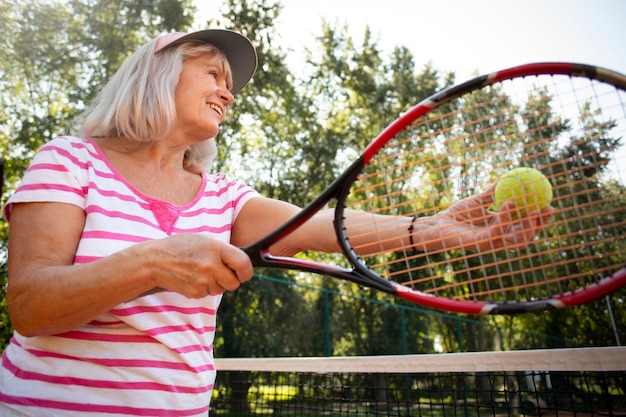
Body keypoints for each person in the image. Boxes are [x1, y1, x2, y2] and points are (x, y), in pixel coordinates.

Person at [0, 28, 553, 416]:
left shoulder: (222, 196)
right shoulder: (70, 160)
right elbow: (29, 305)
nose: (227, 91)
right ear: (156, 73)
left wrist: (440, 227)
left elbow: (334, 226)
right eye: (213, 73)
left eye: (230, 85)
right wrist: (152, 262)